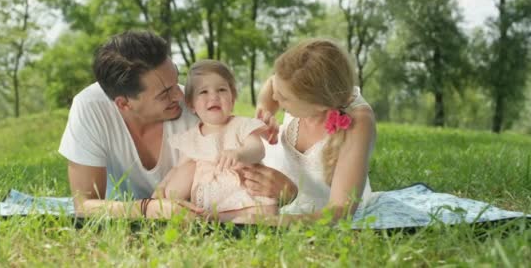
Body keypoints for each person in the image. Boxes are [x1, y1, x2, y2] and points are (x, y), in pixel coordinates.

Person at [58, 30, 295, 219]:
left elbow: (247, 166)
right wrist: (149, 209)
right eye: (164, 93)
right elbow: (83, 205)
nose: (180, 96)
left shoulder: (199, 111)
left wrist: (286, 191)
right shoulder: (90, 109)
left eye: (176, 82)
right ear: (124, 103)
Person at [240, 39, 377, 224]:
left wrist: (274, 221)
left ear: (320, 105)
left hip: (324, 208)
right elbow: (272, 84)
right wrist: (264, 108)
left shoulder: (358, 122)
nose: (275, 97)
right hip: (288, 186)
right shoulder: (296, 84)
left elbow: (340, 210)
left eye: (284, 98)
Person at [153, 60, 278, 221]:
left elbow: (257, 149)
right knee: (181, 175)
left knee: (266, 211)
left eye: (221, 90)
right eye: (203, 92)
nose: (214, 96)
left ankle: (234, 218)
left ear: (232, 99)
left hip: (243, 191)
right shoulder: (192, 138)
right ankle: (183, 210)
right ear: (191, 105)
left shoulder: (241, 124)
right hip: (209, 199)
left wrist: (239, 153)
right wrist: (162, 187)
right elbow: (178, 168)